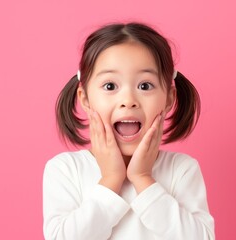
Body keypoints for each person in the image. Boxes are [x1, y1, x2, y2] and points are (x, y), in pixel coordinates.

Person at [43, 22, 215, 240]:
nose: (128, 101)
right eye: (110, 86)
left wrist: (143, 178)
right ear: (85, 98)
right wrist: (111, 179)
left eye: (145, 86)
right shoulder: (66, 170)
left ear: (169, 98)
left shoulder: (181, 170)